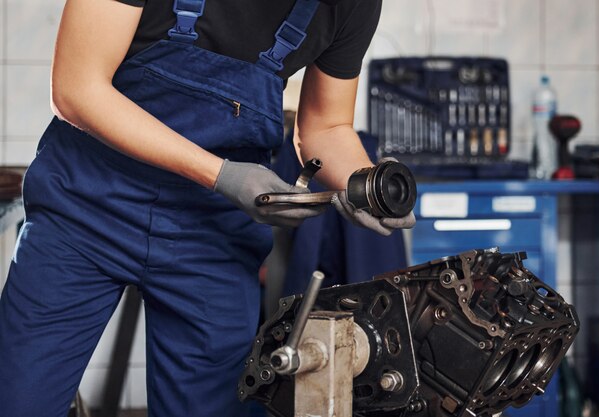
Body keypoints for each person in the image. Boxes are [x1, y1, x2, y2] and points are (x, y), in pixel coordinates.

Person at [0, 0, 415, 416]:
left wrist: (366, 185)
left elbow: (327, 126)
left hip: (212, 238)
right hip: (84, 209)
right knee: (20, 401)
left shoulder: (352, 5)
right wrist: (221, 174)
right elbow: (76, 88)